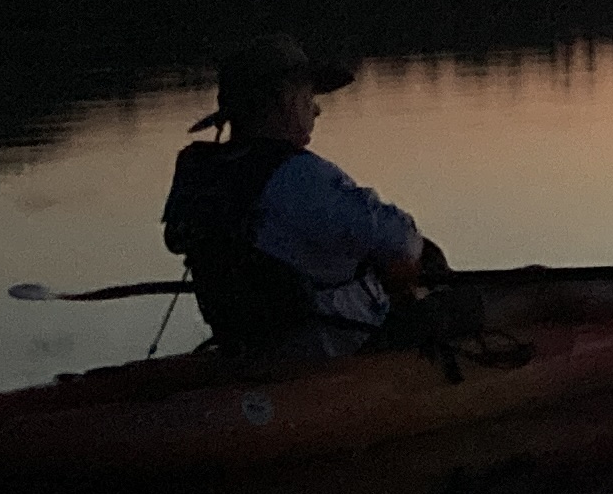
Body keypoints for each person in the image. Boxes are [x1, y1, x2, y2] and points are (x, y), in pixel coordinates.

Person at [159, 35, 452, 356]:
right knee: (461, 304)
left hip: (248, 345)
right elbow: (401, 239)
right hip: (332, 347)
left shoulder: (199, 172)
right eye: (308, 97)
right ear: (285, 100)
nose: (316, 109)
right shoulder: (297, 177)